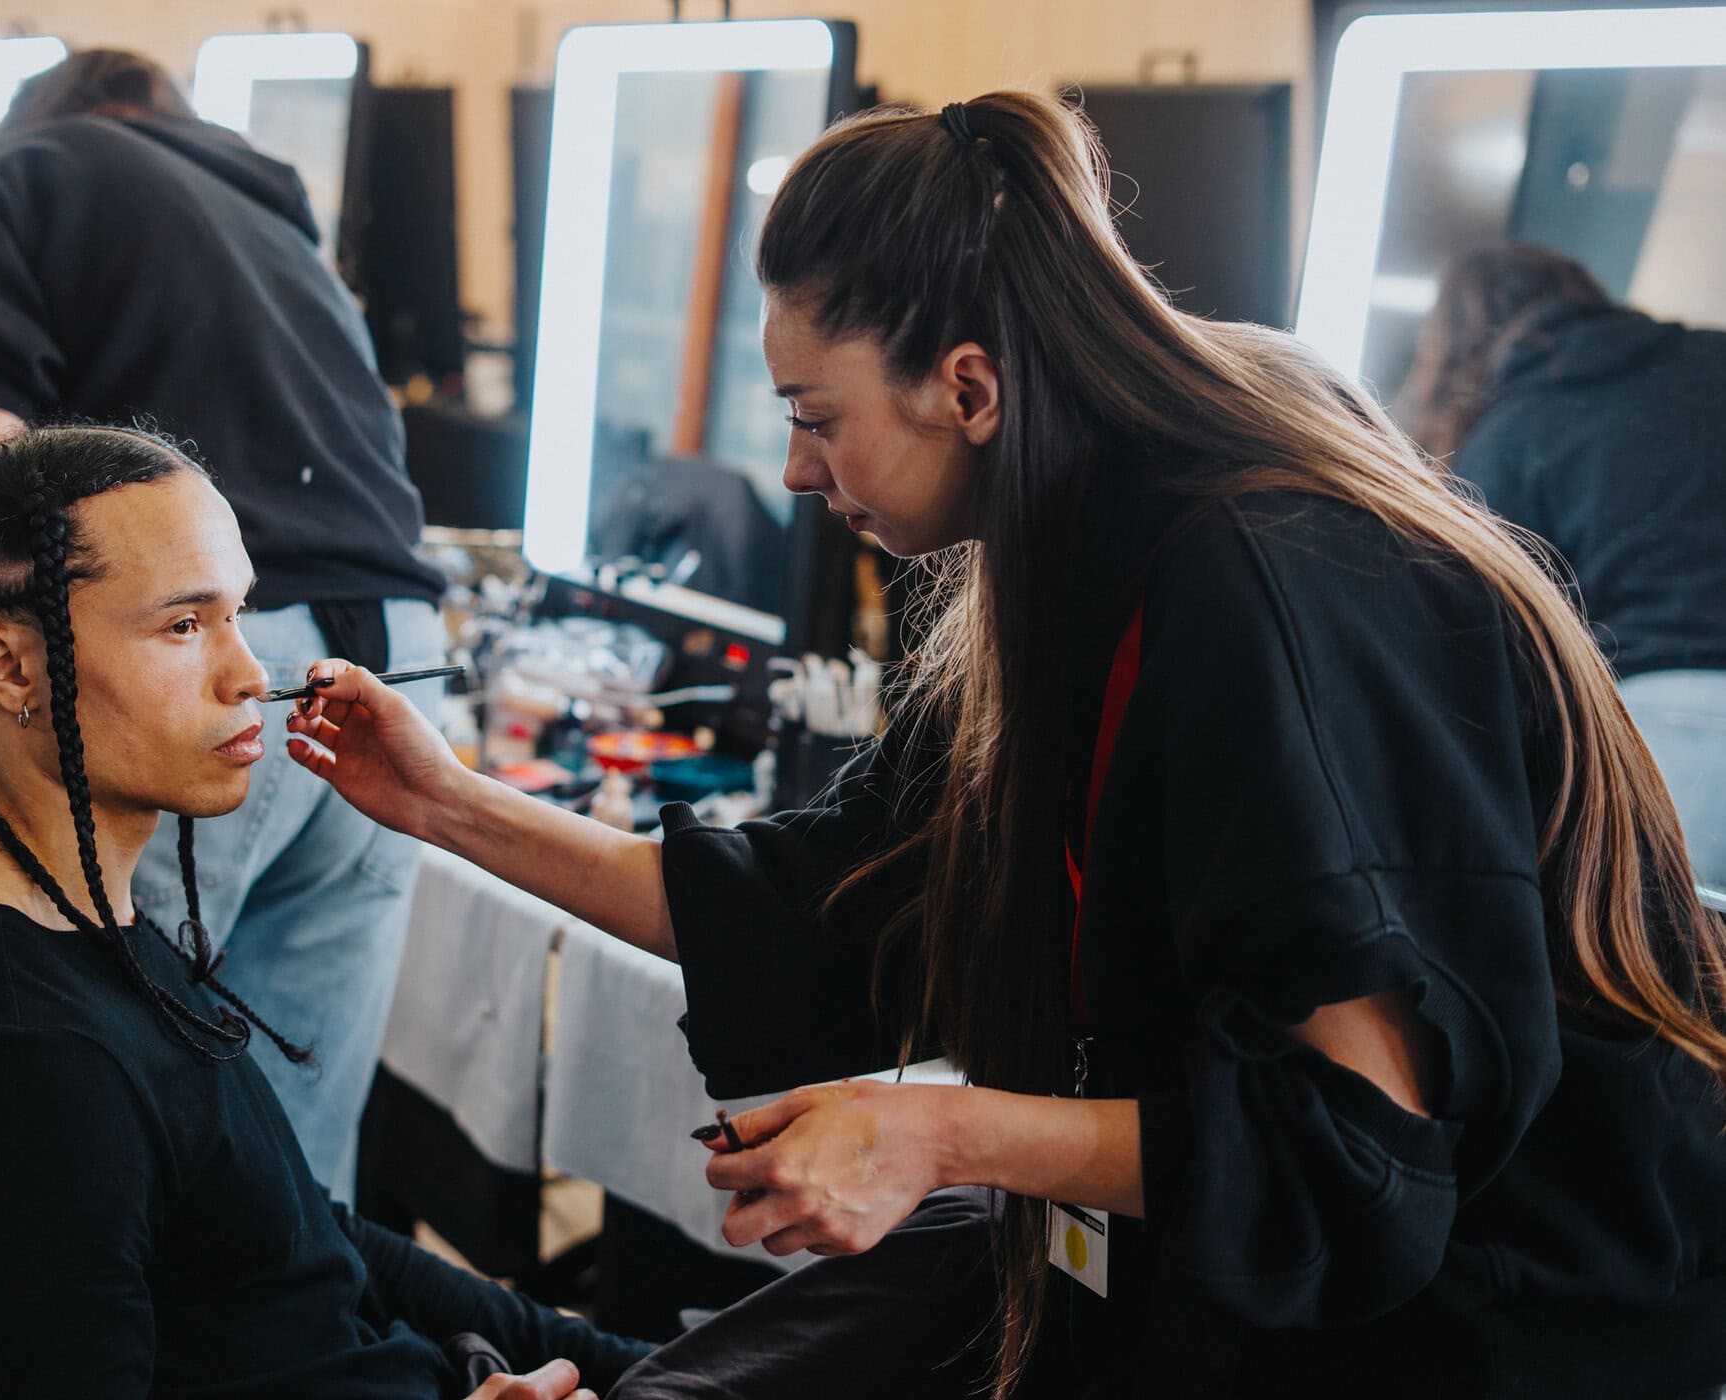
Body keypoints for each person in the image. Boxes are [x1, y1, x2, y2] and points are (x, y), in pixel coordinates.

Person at [283, 96, 1726, 1397]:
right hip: (1250, 1277)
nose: (794, 468)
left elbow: (1351, 1142)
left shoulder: (1267, 572)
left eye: (813, 416)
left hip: (1522, 1296)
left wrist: (942, 1134)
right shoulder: (1061, 573)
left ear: (969, 386)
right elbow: (818, 902)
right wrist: (446, 803)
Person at [0, 423, 996, 1398]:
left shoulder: (96, 940)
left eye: (243, 615)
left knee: (971, 1257)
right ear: (6, 667)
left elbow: (312, 1240)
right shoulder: (19, 1059)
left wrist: (616, 1362)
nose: (252, 673)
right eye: (185, 625)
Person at [0, 49, 449, 1201]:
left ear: (42, 113)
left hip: (209, 647)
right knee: (283, 1189)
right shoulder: (279, 221)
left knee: (23, 1140)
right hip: (398, 673)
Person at [1399, 243, 1726, 886]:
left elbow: (1480, 651)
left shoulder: (1511, 431)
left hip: (1663, 733)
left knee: (1653, 977)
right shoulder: (1715, 359)